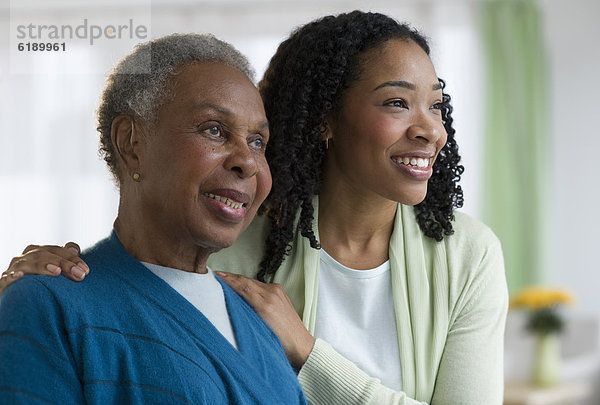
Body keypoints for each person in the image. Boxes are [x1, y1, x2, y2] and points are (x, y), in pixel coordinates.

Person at [1, 11, 508, 405]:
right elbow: (137, 268)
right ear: (325, 119)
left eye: (437, 105)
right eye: (397, 102)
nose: (430, 129)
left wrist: (309, 356)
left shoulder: (466, 257)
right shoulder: (228, 246)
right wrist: (39, 281)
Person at [0, 33, 308, 404]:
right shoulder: (48, 304)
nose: (248, 161)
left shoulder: (262, 318)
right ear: (131, 143)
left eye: (258, 141)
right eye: (214, 130)